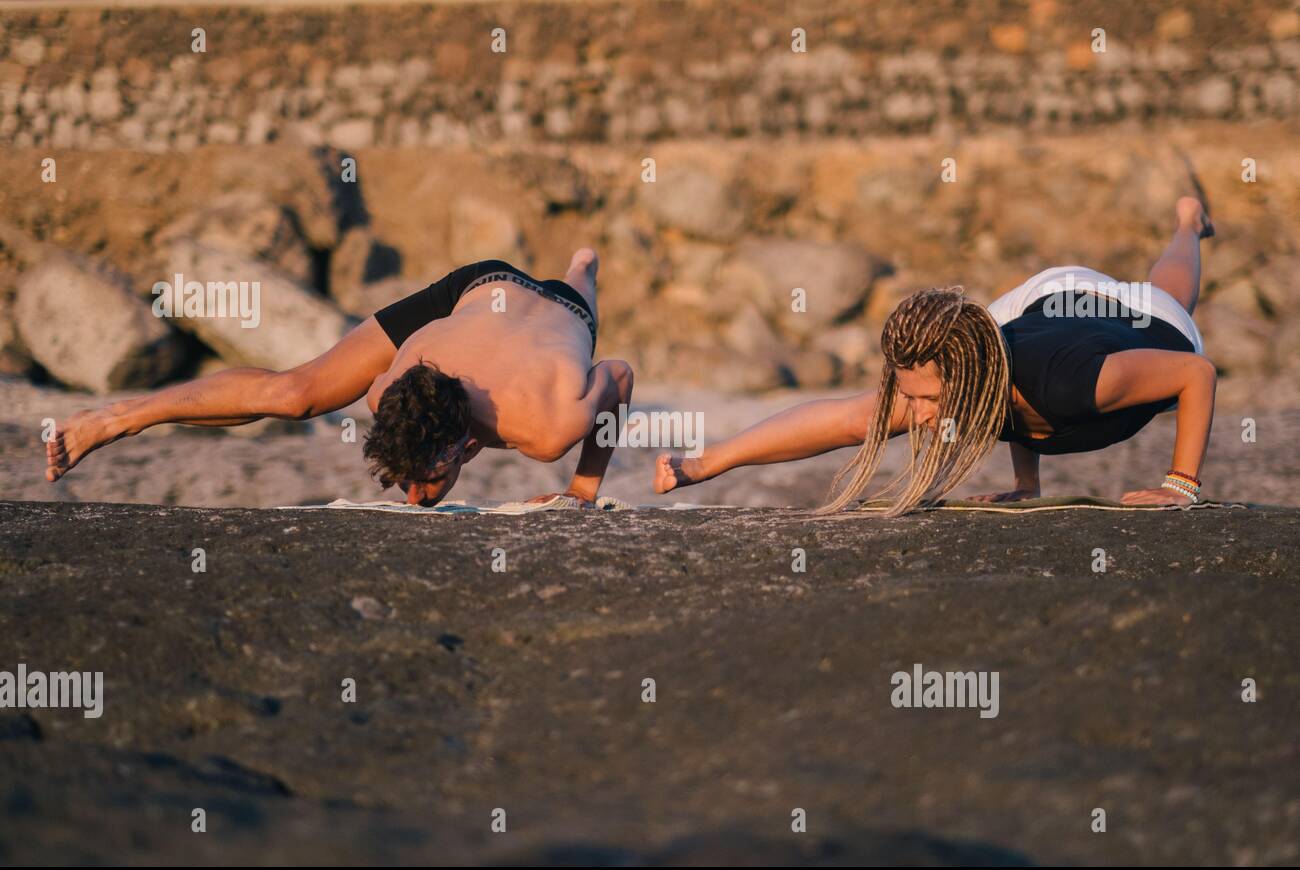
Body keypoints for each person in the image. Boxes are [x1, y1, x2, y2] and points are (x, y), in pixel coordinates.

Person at [654, 197, 1217, 515]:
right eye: (910, 395)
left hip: (1142, 319)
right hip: (1039, 301)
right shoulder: (960, 369)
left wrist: (1180, 484)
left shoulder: (1083, 383)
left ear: (966, 377)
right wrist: (705, 463)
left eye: (925, 399)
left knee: (1167, 293)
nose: (916, 415)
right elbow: (844, 422)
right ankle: (1186, 224)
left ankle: (1187, 224)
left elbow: (1197, 374)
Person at [45, 249, 633, 507]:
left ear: (463, 445)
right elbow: (378, 397)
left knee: (579, 283)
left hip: (563, 310)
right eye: (413, 483)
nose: (416, 498)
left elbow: (618, 374)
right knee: (297, 394)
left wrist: (582, 491)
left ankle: (584, 266)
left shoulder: (550, 428)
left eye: (420, 482)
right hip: (475, 290)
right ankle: (121, 416)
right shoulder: (396, 386)